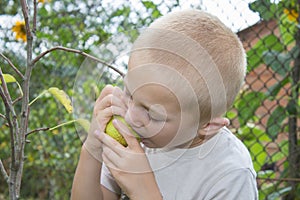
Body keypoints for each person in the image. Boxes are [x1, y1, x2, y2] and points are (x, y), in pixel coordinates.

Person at [71, 9, 258, 200]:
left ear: (207, 126)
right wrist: (92, 149)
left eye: (152, 114)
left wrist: (144, 191)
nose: (130, 117)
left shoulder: (230, 175)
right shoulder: (134, 141)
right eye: (129, 93)